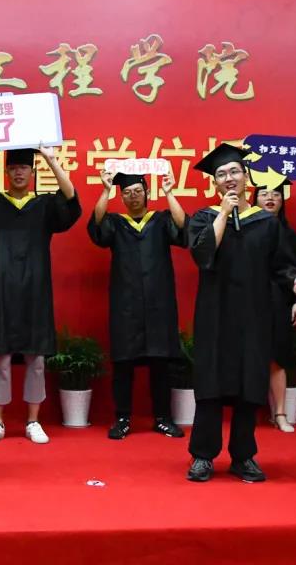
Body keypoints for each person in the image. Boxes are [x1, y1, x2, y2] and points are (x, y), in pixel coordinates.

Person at [185, 145, 296, 483]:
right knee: (210, 386)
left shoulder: (266, 223)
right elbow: (202, 254)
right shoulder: (204, 217)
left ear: (246, 177)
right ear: (214, 183)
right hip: (214, 314)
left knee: (248, 385)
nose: (229, 178)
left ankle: (243, 456)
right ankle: (203, 456)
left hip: (254, 315)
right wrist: (223, 214)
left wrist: (294, 281)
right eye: (221, 174)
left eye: (235, 172)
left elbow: (281, 265)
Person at [0, 147, 81, 446]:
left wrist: (52, 161)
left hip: (35, 291)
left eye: (24, 168)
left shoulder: (44, 205)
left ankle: (33, 421)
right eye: (14, 167)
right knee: (1, 357)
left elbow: (71, 201)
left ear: (32, 172)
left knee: (36, 358)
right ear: (7, 171)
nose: (19, 172)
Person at [87, 168, 187, 439]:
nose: (133, 196)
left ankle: (163, 418)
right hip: (126, 305)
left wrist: (169, 192)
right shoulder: (116, 223)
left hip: (159, 304)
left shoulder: (161, 220)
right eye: (128, 193)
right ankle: (122, 418)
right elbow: (97, 227)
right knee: (123, 364)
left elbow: (183, 229)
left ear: (147, 193)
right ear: (121, 197)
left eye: (138, 191)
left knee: (161, 364)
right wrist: (106, 189)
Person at [253, 180, 296, 434]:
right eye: (264, 194)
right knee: (248, 356)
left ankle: (280, 413)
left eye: (275, 194)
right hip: (248, 298)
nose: (270, 198)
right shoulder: (244, 227)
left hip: (277, 298)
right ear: (255, 198)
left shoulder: (288, 234)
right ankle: (247, 412)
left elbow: (293, 270)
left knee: (277, 357)